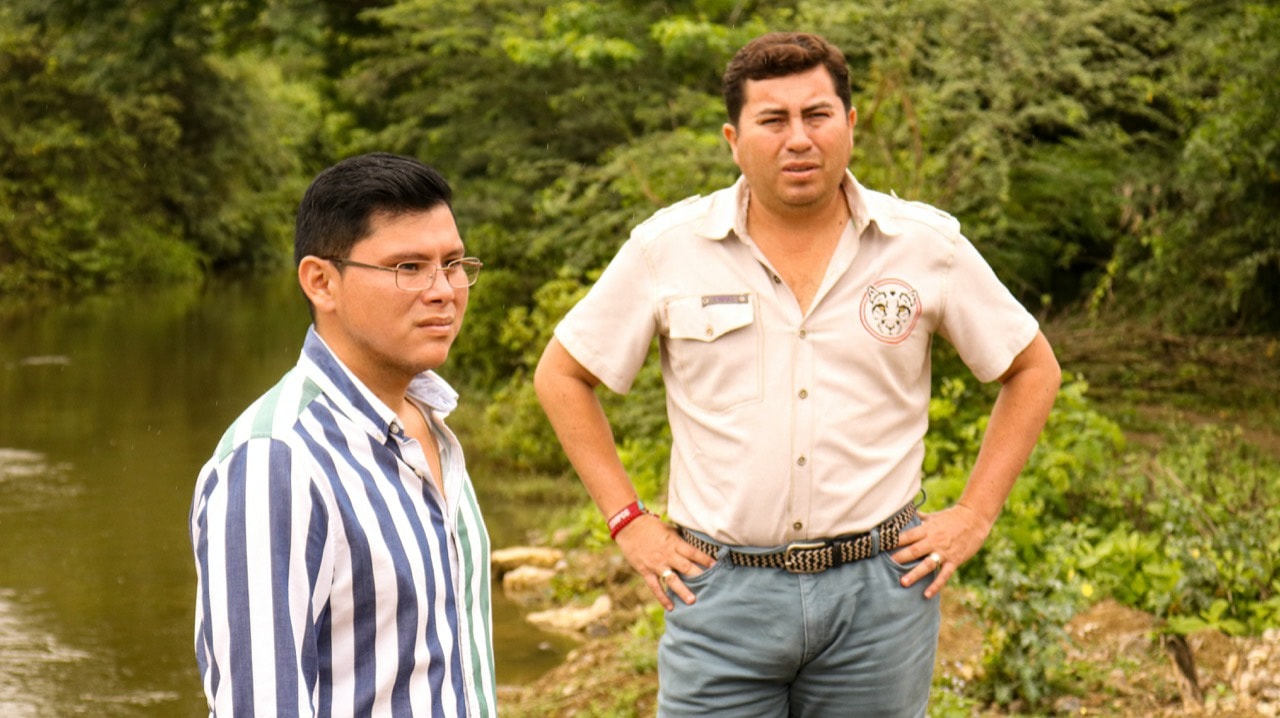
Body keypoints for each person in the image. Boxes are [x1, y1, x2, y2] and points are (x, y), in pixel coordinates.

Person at [534, 32, 1062, 716]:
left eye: (817, 115)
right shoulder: (668, 250)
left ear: (850, 123)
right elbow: (562, 375)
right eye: (773, 120)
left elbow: (1032, 367)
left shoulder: (924, 246)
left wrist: (975, 514)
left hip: (881, 598)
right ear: (734, 138)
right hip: (719, 594)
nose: (799, 139)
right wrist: (628, 519)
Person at [190, 152, 497, 717]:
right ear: (322, 282)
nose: (444, 291)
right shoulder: (276, 460)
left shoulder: (428, 422)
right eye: (409, 267)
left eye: (453, 263)